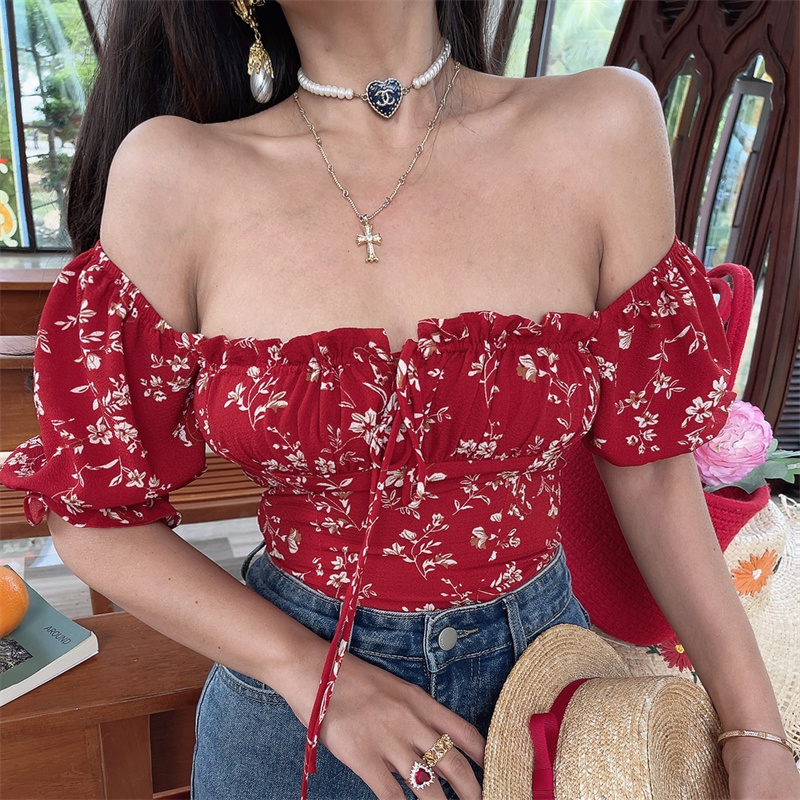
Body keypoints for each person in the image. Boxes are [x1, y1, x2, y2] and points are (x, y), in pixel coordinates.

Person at [2, 1, 798, 798]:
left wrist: (756, 732)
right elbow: (96, 517)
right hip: (295, 721)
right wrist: (311, 672)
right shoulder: (173, 175)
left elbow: (654, 474)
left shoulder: (603, 126)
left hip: (556, 711)